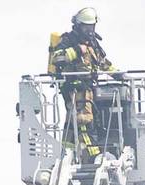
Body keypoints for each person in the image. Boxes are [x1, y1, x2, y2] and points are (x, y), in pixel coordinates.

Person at [46, 8, 114, 160]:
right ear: (77, 25)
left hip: (88, 87)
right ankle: (94, 154)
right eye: (86, 27)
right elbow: (57, 58)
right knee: (83, 119)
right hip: (75, 87)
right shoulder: (69, 40)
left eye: (91, 27)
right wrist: (76, 50)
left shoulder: (92, 42)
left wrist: (117, 73)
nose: (89, 30)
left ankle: (66, 153)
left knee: (73, 121)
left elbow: (102, 62)